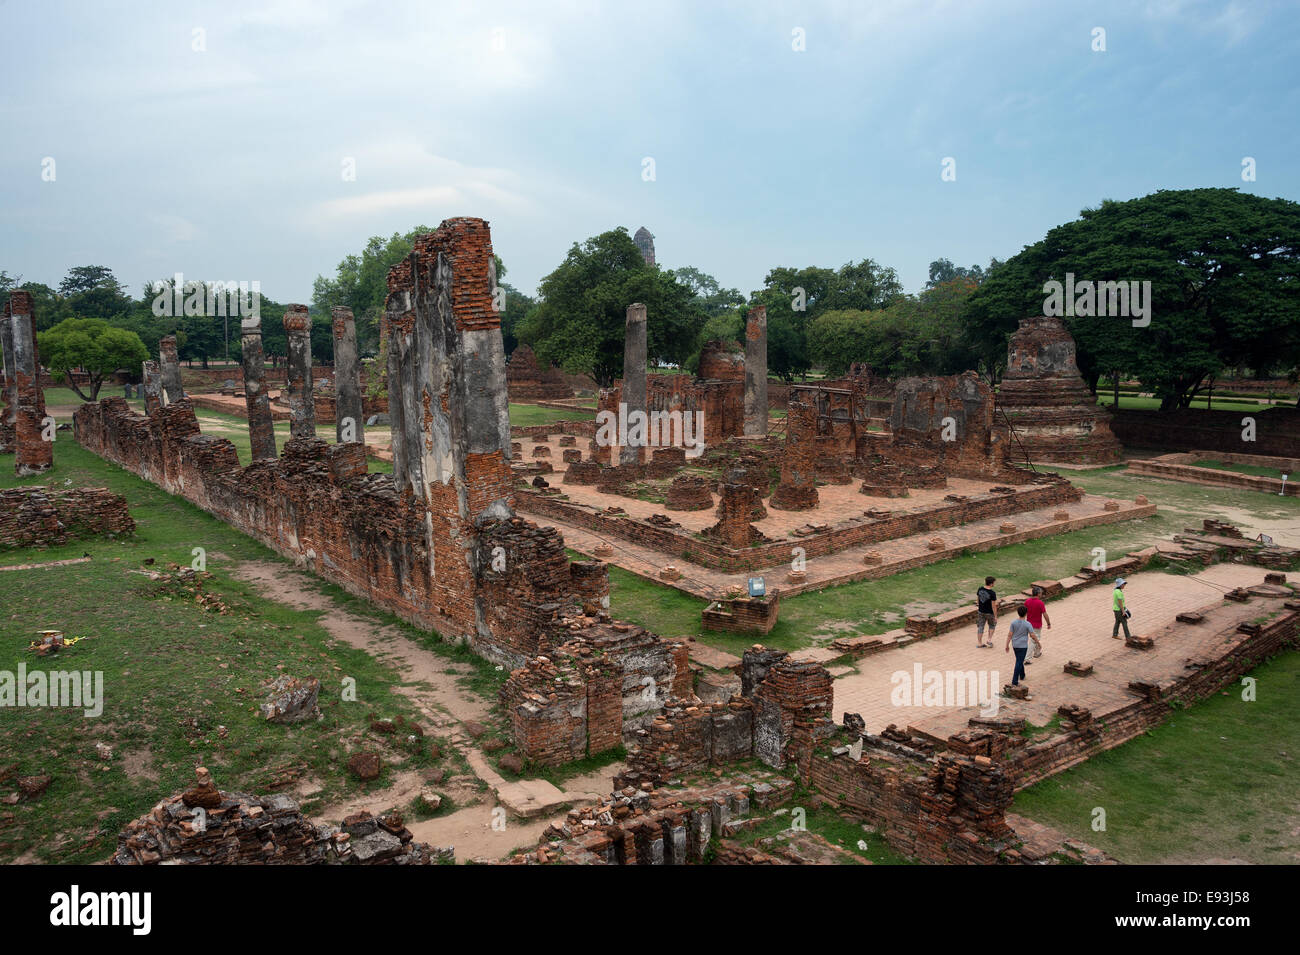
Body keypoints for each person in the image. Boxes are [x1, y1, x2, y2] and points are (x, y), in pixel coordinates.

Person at [1005, 605, 1033, 686]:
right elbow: (1032, 635)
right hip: (1023, 646)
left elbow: (1010, 635)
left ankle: (1022, 675)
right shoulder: (1028, 624)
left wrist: (1007, 645)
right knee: (1019, 662)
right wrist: (1038, 643)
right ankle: (1014, 681)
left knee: (1019, 659)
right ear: (1026, 614)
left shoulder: (1013, 622)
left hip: (1015, 645)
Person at [1023, 585, 1051, 661]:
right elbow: (1045, 614)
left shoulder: (1027, 601)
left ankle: (1037, 653)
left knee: (1034, 639)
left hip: (1028, 624)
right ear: (1038, 594)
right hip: (1036, 625)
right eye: (1041, 593)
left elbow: (1024, 612)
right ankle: (1027, 657)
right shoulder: (1040, 603)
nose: (1041, 594)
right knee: (1033, 640)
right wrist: (1048, 623)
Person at [975, 576, 998, 647]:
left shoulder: (980, 589)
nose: (994, 584)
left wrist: (980, 606)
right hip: (989, 613)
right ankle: (989, 640)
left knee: (980, 626)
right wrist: (995, 616)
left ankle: (979, 643)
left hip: (981, 611)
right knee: (992, 625)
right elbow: (993, 606)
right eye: (994, 582)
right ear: (991, 584)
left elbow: (978, 599)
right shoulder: (992, 593)